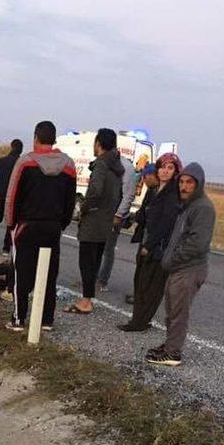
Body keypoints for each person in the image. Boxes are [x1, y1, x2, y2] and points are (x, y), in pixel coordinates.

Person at [4, 120, 77, 332]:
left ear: (36, 137)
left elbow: (12, 196)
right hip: (53, 227)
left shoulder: (25, 162)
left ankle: (19, 319)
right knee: (48, 274)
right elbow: (70, 201)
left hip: (27, 225)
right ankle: (46, 320)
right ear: (53, 139)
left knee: (21, 274)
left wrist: (11, 224)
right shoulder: (68, 165)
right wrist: (61, 223)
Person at [146, 163, 215, 366]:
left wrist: (172, 259)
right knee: (172, 310)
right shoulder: (188, 206)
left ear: (198, 184)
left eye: (189, 183)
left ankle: (173, 353)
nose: (184, 187)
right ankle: (169, 345)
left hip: (189, 269)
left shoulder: (203, 208)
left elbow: (198, 244)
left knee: (178, 313)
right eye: (182, 182)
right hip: (178, 268)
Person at [118, 154, 182, 331]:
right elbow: (145, 214)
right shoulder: (155, 189)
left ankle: (139, 322)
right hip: (147, 242)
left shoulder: (172, 194)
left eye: (170, 168)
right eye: (162, 167)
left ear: (176, 171)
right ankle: (139, 319)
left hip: (160, 247)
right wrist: (131, 220)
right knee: (140, 281)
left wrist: (149, 245)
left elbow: (166, 224)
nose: (164, 171)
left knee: (151, 286)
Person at [65, 128, 124, 315]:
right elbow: (118, 194)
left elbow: (95, 190)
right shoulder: (118, 167)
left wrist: (84, 207)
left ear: (98, 143)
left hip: (93, 220)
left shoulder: (101, 165)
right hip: (106, 220)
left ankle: (85, 301)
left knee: (86, 261)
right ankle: (88, 298)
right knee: (95, 260)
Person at [96, 154, 138, 290]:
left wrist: (119, 215)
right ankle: (94, 277)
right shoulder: (106, 163)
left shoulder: (126, 167)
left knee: (108, 249)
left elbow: (128, 194)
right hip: (102, 212)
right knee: (97, 247)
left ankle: (102, 280)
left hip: (114, 214)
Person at [124, 163, 159, 304]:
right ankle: (139, 294)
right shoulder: (152, 190)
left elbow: (148, 213)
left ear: (152, 175)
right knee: (141, 266)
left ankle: (141, 297)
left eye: (145, 177)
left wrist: (136, 218)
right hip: (145, 233)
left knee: (144, 268)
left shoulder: (157, 192)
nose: (143, 180)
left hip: (150, 237)